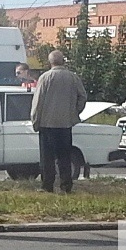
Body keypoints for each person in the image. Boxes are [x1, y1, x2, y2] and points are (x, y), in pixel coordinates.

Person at [30, 50, 87, 193]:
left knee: (47, 158)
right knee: (64, 157)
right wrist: (74, 113)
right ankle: (66, 186)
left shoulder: (45, 78)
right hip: (65, 124)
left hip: (47, 124)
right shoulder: (73, 77)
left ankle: (47, 186)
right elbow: (83, 97)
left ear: (50, 62)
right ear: (63, 61)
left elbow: (38, 102)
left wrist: (35, 120)